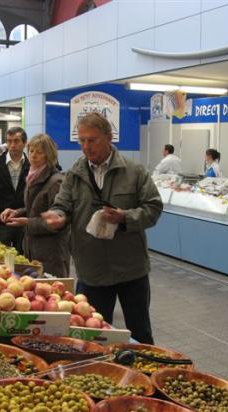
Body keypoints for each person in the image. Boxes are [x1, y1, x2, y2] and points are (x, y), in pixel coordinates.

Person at [42, 113, 163, 344]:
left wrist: (125, 217)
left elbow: (153, 208)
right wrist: (58, 217)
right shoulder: (74, 175)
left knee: (141, 334)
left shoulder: (133, 171)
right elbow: (62, 206)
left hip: (131, 269)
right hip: (91, 270)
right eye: (82, 140)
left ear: (109, 138)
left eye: (92, 140)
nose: (86, 146)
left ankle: (147, 375)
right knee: (93, 335)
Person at [0, 134, 70, 277]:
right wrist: (17, 212)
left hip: (51, 252)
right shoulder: (33, 176)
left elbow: (57, 221)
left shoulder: (55, 182)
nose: (33, 155)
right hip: (34, 248)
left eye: (39, 152)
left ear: (48, 155)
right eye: (31, 151)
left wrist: (28, 222)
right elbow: (35, 209)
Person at [0, 127, 30, 253]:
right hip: (0, 224)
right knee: (1, 260)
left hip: (23, 223)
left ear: (24, 143)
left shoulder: (31, 165)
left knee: (23, 261)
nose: (12, 145)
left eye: (17, 141)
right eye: (9, 141)